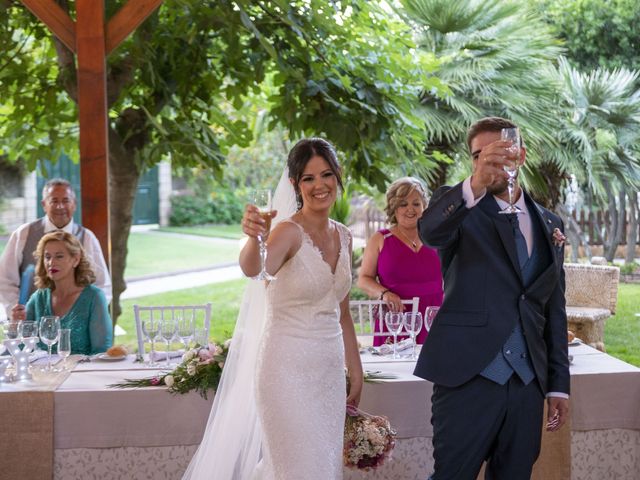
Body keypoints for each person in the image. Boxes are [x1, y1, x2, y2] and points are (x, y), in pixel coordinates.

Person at [183, 138, 363, 480]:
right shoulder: (287, 232)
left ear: (338, 176)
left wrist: (355, 367)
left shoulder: (345, 235)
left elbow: (342, 311)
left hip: (328, 373)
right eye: (308, 178)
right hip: (285, 371)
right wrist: (255, 238)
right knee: (297, 469)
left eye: (326, 174)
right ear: (295, 184)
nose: (319, 185)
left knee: (324, 467)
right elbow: (255, 268)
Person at [414, 117, 570, 479]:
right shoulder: (458, 209)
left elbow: (553, 308)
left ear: (521, 156)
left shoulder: (550, 224)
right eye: (478, 156)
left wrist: (558, 384)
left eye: (499, 154)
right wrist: (475, 184)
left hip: (527, 386)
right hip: (466, 378)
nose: (488, 163)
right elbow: (430, 232)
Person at [0, 178, 112, 319]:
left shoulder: (87, 238)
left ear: (74, 204)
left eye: (65, 201)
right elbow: (4, 279)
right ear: (44, 205)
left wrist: (89, 314)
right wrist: (15, 308)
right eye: (54, 201)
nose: (60, 206)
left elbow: (103, 285)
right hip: (31, 324)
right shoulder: (23, 234)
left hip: (75, 324)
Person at [358, 177, 443, 346]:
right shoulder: (380, 239)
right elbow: (364, 279)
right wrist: (384, 294)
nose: (410, 209)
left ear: (424, 207)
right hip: (395, 318)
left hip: (434, 318)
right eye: (403, 204)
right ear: (394, 207)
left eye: (416, 203)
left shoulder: (437, 237)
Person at [10, 231, 112, 355]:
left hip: (83, 372)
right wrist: (15, 324)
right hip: (45, 372)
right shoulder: (38, 298)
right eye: (47, 257)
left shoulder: (94, 297)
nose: (51, 262)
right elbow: (22, 350)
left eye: (59, 256)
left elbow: (101, 351)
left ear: (75, 259)